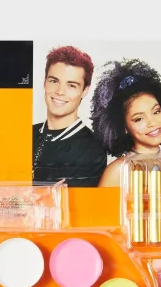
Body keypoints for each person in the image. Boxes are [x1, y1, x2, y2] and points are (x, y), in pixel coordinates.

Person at [90, 59, 161, 187]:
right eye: (139, 119)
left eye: (156, 111)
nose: (152, 123)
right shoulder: (118, 171)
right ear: (124, 127)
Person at [33, 46, 107, 187]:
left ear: (85, 91)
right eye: (54, 81)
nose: (60, 91)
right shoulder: (23, 135)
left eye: (71, 85)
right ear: (44, 82)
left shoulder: (92, 149)